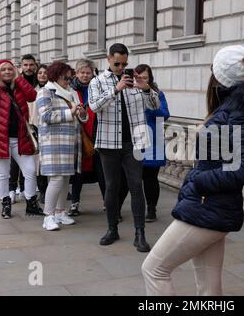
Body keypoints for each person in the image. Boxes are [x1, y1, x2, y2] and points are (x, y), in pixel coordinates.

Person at [141, 45, 244, 295]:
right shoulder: (233, 107)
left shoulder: (236, 112)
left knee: (154, 269)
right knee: (209, 287)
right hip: (213, 207)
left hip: (209, 206)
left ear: (219, 76)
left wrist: (203, 181)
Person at [88, 43, 160, 252]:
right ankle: (112, 229)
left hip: (134, 143)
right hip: (109, 143)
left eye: (125, 64)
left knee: (136, 186)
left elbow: (155, 106)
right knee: (111, 187)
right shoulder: (98, 81)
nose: (121, 68)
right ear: (109, 59)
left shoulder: (135, 81)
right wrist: (115, 89)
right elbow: (93, 106)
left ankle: (140, 233)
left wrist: (146, 89)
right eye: (117, 63)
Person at [0, 59, 44, 219]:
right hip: (0, 138)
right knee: (3, 174)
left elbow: (32, 96)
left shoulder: (19, 85)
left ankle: (31, 203)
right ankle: (5, 204)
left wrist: (19, 78)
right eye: (3, 70)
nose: (7, 72)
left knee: (30, 171)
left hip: (20, 137)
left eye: (10, 69)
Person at [37, 61, 88, 231]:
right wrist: (70, 112)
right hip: (53, 142)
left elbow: (79, 117)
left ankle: (60, 212)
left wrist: (80, 112)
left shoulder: (69, 93)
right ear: (56, 76)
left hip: (68, 141)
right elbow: (46, 116)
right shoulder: (45, 92)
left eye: (70, 77)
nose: (69, 80)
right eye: (66, 77)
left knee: (66, 177)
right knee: (57, 179)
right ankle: (48, 216)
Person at [118, 64, 170, 222]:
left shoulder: (157, 93)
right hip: (132, 139)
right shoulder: (127, 92)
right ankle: (116, 208)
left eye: (145, 78)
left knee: (150, 178)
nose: (141, 80)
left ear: (150, 78)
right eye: (138, 77)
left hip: (152, 140)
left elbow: (164, 115)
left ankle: (151, 208)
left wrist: (149, 104)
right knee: (126, 178)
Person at [68, 59, 106, 216]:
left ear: (93, 73)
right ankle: (75, 204)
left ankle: (108, 203)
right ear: (76, 74)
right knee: (78, 173)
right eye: (82, 72)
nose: (85, 75)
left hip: (97, 135)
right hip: (77, 137)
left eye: (88, 73)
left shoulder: (99, 89)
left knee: (102, 172)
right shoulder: (70, 91)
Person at [9, 54, 39, 203]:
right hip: (21, 124)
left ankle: (26, 188)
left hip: (36, 123)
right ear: (21, 66)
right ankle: (12, 188)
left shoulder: (38, 80)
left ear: (35, 65)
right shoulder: (15, 81)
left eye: (31, 65)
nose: (28, 68)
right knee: (16, 159)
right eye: (25, 65)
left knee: (30, 158)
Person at [28, 64, 49, 204]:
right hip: (36, 129)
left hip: (50, 129)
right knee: (39, 163)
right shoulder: (32, 91)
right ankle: (42, 190)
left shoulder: (54, 89)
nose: (42, 75)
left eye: (45, 72)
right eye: (40, 72)